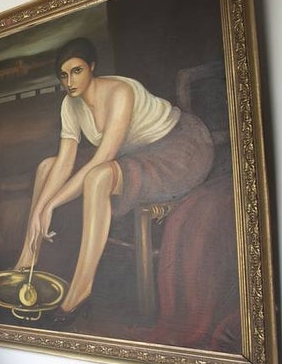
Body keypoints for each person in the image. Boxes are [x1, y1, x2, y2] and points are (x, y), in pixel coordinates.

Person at [14, 37, 214, 322]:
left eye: (77, 71)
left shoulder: (120, 91)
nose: (70, 81)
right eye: (64, 75)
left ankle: (80, 292)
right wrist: (38, 212)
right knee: (47, 166)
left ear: (92, 67)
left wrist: (50, 206)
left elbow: (102, 159)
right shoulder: (70, 105)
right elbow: (63, 163)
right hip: (135, 153)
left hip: (179, 149)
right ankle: (26, 259)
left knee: (98, 177)